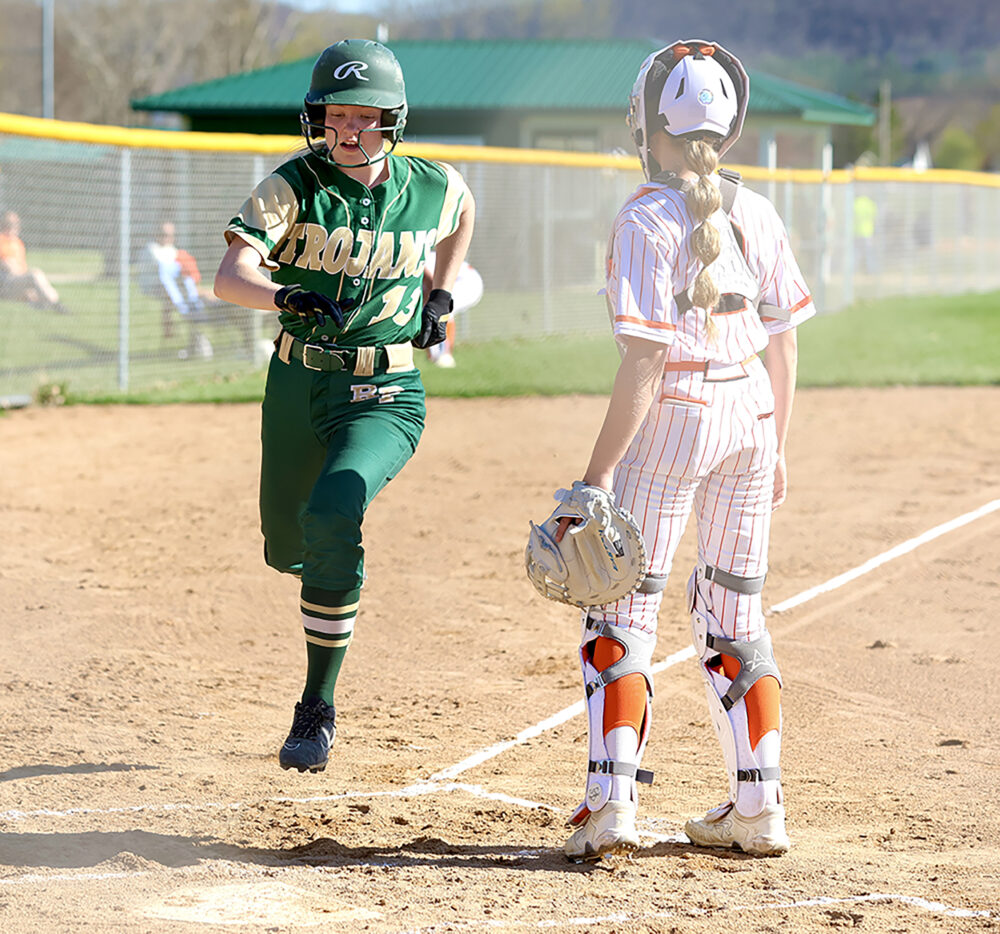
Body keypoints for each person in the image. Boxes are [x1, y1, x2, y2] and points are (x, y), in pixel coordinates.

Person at [556, 40, 815, 861]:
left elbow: (647, 357)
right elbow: (784, 341)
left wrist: (594, 482)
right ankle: (759, 807)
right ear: (731, 128)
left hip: (679, 414)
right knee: (736, 612)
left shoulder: (645, 216)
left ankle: (612, 807)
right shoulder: (759, 208)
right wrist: (775, 445)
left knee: (621, 608)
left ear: (645, 123)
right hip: (752, 411)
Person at [214, 39, 474, 774]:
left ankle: (316, 707)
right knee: (285, 546)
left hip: (386, 391)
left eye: (363, 117)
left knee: (335, 513)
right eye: (334, 116)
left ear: (393, 121)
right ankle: (329, 578)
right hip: (298, 385)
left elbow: (462, 214)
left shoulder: (431, 184)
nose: (347, 131)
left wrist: (441, 295)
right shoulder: (291, 187)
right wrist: (283, 294)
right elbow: (229, 277)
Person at [139, 221, 214, 359]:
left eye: (170, 235)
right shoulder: (152, 249)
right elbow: (165, 268)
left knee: (197, 294)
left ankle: (196, 340)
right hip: (156, 287)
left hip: (179, 288)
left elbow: (183, 268)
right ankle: (174, 332)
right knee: (179, 300)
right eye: (164, 234)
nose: (168, 238)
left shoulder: (172, 250)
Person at [421, 251, 483, 367]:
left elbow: (431, 284)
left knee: (441, 309)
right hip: (467, 281)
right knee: (436, 309)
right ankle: (437, 354)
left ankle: (443, 354)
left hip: (468, 283)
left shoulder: (416, 257)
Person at [0, 211, 69, 314]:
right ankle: (55, 304)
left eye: (15, 225)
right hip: (4, 284)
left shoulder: (18, 243)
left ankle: (47, 304)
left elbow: (22, 268)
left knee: (34, 279)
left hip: (16, 281)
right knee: (34, 275)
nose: (12, 228)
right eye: (8, 224)